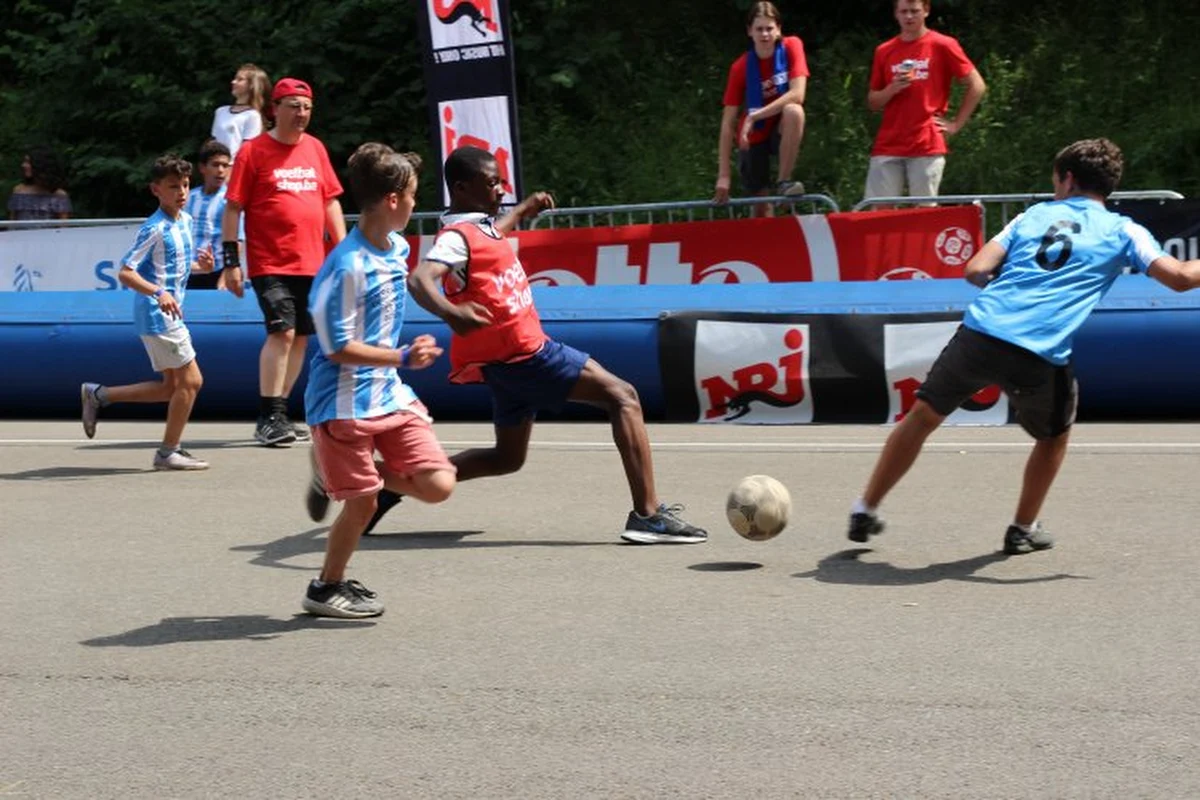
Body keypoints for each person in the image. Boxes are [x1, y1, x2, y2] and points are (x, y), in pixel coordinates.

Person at [333, 145, 707, 545]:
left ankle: (386, 483)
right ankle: (647, 516)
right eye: (491, 183)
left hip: (505, 360)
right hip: (526, 355)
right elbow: (420, 279)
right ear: (462, 188)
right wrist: (450, 313)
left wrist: (522, 211)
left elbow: (492, 235)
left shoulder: (477, 225)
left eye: (500, 182)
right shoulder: (455, 238)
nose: (500, 190)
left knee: (507, 459)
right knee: (624, 397)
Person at [846, 138, 1200, 554]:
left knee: (924, 415)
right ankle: (1022, 528)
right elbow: (1179, 278)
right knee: (1053, 437)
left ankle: (865, 507)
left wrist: (1011, 288)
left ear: (1067, 180)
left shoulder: (1032, 215)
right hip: (1039, 350)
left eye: (1055, 179)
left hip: (983, 331)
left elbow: (975, 268)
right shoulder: (1124, 230)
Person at [301, 143, 455, 619]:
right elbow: (336, 347)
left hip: (389, 394)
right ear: (392, 200)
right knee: (364, 505)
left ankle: (333, 478)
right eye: (412, 193)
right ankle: (326, 587)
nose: (415, 202)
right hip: (342, 405)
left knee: (437, 485)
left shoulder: (399, 247)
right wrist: (404, 355)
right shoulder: (345, 267)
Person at [220, 77, 347, 448]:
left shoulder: (316, 149)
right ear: (274, 109)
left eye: (306, 107)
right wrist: (232, 261)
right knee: (283, 332)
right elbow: (233, 208)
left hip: (313, 262)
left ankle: (282, 412)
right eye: (293, 106)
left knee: (302, 338)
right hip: (270, 261)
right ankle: (268, 417)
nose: (301, 113)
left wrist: (340, 249)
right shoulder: (253, 151)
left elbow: (329, 201)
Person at [80, 154, 214, 470]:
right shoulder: (154, 228)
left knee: (171, 387)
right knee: (192, 382)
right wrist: (158, 292)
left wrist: (200, 267)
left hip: (170, 312)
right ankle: (168, 452)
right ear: (156, 190)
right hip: (157, 314)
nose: (181, 192)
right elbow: (126, 272)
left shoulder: (186, 220)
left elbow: (171, 269)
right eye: (173, 186)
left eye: (184, 185)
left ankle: (99, 395)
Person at [863, 0, 986, 201]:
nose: (909, 17)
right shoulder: (884, 50)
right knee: (879, 211)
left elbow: (977, 85)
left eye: (914, 11)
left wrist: (955, 124)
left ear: (926, 11)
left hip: (926, 142)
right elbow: (873, 102)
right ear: (896, 14)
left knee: (924, 213)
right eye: (904, 11)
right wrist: (892, 89)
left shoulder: (942, 44)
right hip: (888, 143)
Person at [714, 1, 809, 217]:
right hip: (752, 136)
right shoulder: (740, 67)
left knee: (794, 110)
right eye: (759, 29)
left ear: (778, 30)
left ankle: (784, 181)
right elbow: (728, 123)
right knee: (761, 209)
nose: (765, 34)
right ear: (749, 31)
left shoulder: (791, 46)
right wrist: (724, 175)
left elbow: (798, 94)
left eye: (769, 28)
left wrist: (755, 115)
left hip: (778, 127)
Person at [184, 139, 239, 291]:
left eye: (225, 165)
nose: (221, 170)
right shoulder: (189, 198)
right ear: (202, 168)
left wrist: (226, 275)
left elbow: (237, 240)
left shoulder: (231, 201)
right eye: (215, 165)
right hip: (188, 271)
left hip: (217, 273)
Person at [210, 63, 269, 161]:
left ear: (251, 85)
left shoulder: (252, 115)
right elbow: (214, 142)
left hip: (236, 168)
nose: (233, 82)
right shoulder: (221, 111)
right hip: (216, 168)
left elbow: (247, 149)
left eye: (239, 79)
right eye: (235, 78)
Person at [8, 146, 72, 220]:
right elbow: (12, 225)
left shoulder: (59, 195)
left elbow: (62, 228)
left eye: (28, 162)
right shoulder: (18, 190)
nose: (23, 165)